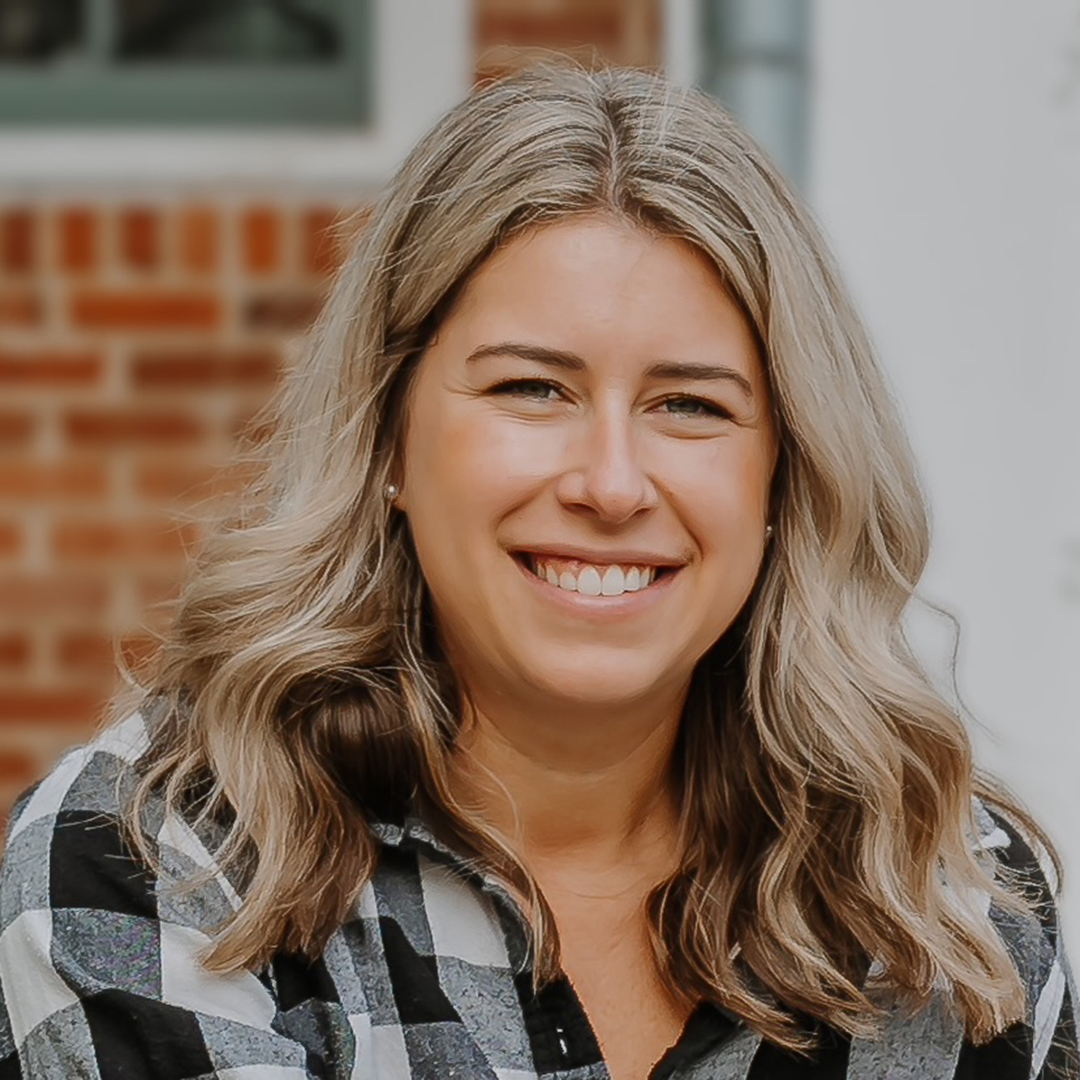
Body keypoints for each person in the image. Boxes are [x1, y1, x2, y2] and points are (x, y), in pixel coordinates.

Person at [0, 63, 1075, 1080]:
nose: (612, 485)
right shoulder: (153, 860)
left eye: (690, 406)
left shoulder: (950, 912)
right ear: (387, 443)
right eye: (532, 389)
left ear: (784, 477)